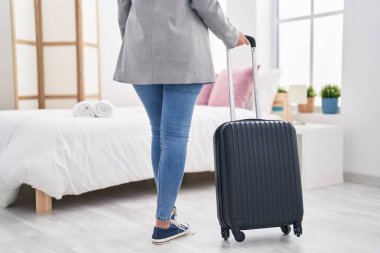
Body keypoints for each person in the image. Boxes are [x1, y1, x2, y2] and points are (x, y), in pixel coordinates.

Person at [113, 0, 250, 244]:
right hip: (182, 51)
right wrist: (233, 35)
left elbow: (123, 11)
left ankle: (167, 212)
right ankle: (163, 222)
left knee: (160, 134)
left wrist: (133, 41)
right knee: (174, 137)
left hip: (139, 53)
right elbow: (206, 4)